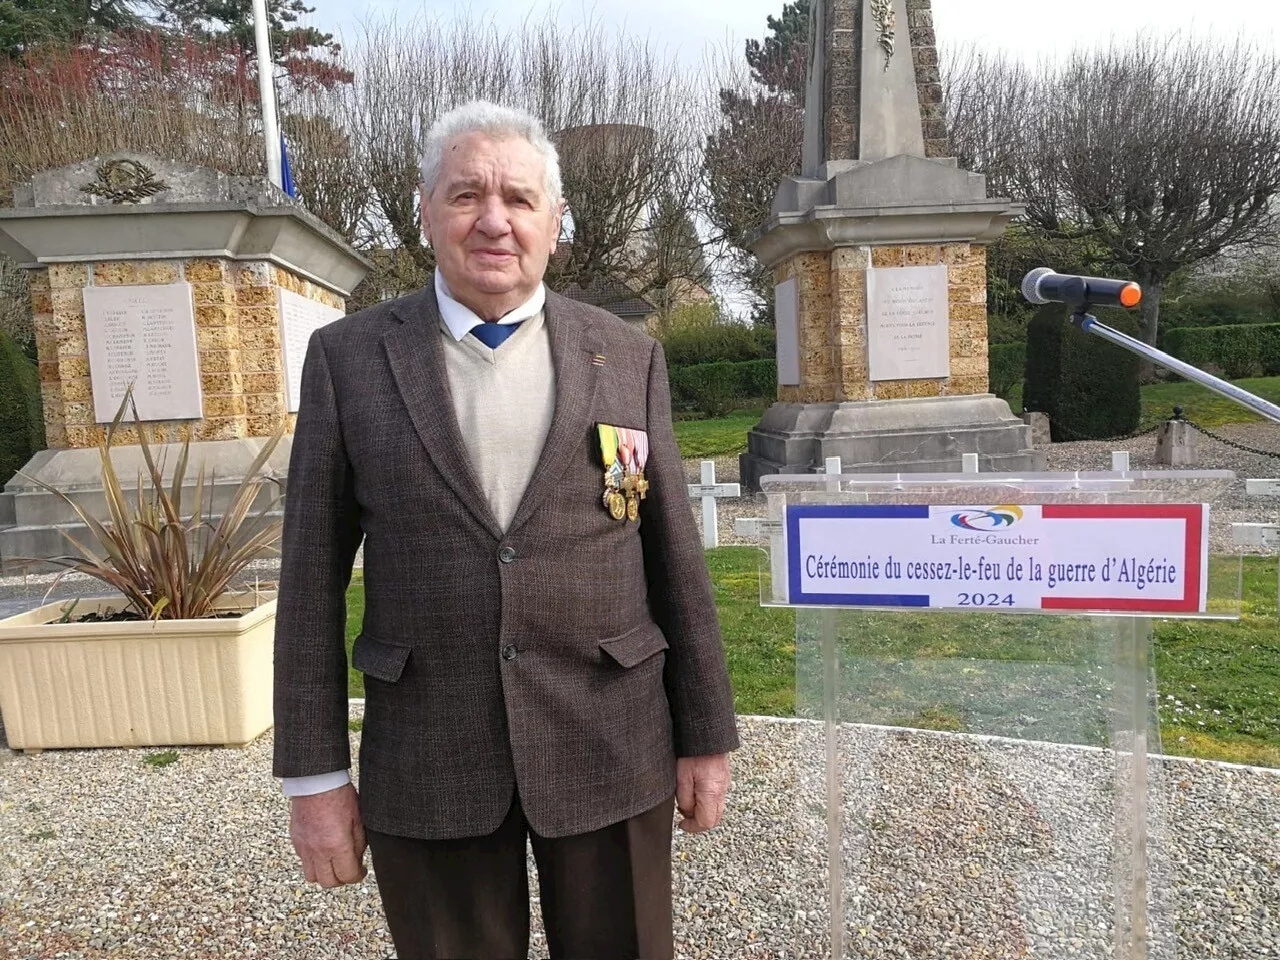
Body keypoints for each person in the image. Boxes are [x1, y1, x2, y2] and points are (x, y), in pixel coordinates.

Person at [272, 100, 739, 960]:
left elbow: (674, 556)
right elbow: (308, 582)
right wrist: (314, 778)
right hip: (430, 754)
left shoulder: (626, 355)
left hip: (612, 740)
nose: (495, 219)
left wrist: (706, 735)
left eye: (520, 199)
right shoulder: (349, 361)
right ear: (425, 212)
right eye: (466, 195)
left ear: (555, 222)